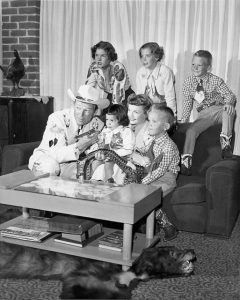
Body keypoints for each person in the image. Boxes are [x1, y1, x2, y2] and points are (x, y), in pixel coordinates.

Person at [127, 94, 179, 241]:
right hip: (153, 173)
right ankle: (141, 227)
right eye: (149, 120)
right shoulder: (154, 141)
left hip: (167, 178)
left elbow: (161, 170)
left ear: (165, 126)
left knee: (146, 195)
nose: (149, 124)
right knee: (133, 188)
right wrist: (134, 154)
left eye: (154, 121)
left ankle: (167, 225)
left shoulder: (169, 146)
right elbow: (145, 152)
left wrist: (144, 181)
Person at [28, 85, 110, 177]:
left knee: (98, 166)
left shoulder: (96, 124)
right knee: (51, 167)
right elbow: (55, 154)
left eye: (87, 110)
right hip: (46, 159)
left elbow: (99, 147)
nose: (81, 115)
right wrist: (80, 146)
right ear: (74, 104)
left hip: (70, 163)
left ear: (95, 111)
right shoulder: (57, 118)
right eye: (78, 108)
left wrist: (100, 152)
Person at [180, 50, 236, 176]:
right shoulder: (188, 82)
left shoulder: (216, 80)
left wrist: (228, 103)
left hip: (219, 110)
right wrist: (184, 120)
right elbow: (187, 104)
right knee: (191, 131)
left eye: (199, 65)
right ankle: (186, 161)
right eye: (193, 64)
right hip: (204, 114)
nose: (195, 68)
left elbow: (229, 95)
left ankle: (225, 144)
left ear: (208, 67)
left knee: (228, 111)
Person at [90, 104, 135, 182]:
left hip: (121, 158)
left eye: (112, 120)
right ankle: (96, 183)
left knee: (108, 164)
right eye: (107, 120)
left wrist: (113, 154)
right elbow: (100, 144)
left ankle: (110, 182)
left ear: (120, 120)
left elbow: (129, 150)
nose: (108, 123)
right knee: (95, 162)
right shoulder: (105, 131)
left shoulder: (125, 131)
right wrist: (98, 151)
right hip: (107, 157)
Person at [86, 41, 134, 111]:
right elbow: (88, 87)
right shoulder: (94, 67)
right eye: (96, 55)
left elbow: (118, 94)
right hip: (111, 96)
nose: (98, 59)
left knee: (117, 117)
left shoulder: (117, 67)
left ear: (109, 56)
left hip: (125, 96)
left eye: (103, 55)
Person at [136, 42, 177, 116]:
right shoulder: (140, 72)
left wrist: (173, 116)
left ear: (156, 57)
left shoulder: (166, 71)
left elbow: (170, 97)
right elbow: (139, 95)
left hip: (162, 109)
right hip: (146, 109)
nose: (144, 59)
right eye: (142, 56)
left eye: (147, 56)